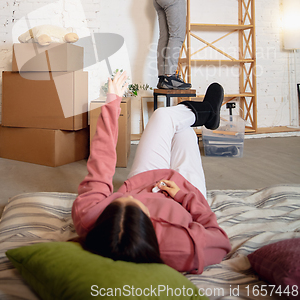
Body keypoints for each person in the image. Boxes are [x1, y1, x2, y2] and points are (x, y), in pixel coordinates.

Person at [72, 71, 231, 274]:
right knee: (185, 132)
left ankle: (207, 112)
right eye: (138, 203)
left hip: (145, 179)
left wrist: (112, 104)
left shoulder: (89, 217)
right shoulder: (183, 248)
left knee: (162, 115)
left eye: (119, 198)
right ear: (152, 224)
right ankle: (207, 112)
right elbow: (219, 238)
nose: (134, 198)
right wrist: (185, 196)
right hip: (187, 192)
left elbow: (101, 161)